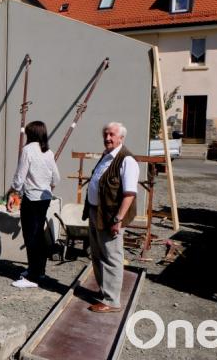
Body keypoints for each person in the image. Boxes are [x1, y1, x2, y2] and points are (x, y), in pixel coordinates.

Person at [81, 121, 139, 313]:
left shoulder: (126, 160)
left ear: (121, 138)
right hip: (96, 212)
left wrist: (118, 219)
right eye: (106, 134)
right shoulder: (106, 156)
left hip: (111, 216)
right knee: (97, 254)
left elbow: (129, 194)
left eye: (112, 135)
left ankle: (112, 300)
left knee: (111, 256)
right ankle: (105, 291)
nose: (107, 138)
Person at [6, 121, 60, 289]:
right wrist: (46, 187)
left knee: (31, 236)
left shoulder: (28, 150)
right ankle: (38, 270)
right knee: (38, 235)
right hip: (44, 198)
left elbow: (20, 177)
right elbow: (56, 178)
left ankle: (33, 277)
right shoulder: (48, 152)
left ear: (31, 134)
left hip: (31, 198)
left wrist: (12, 193)